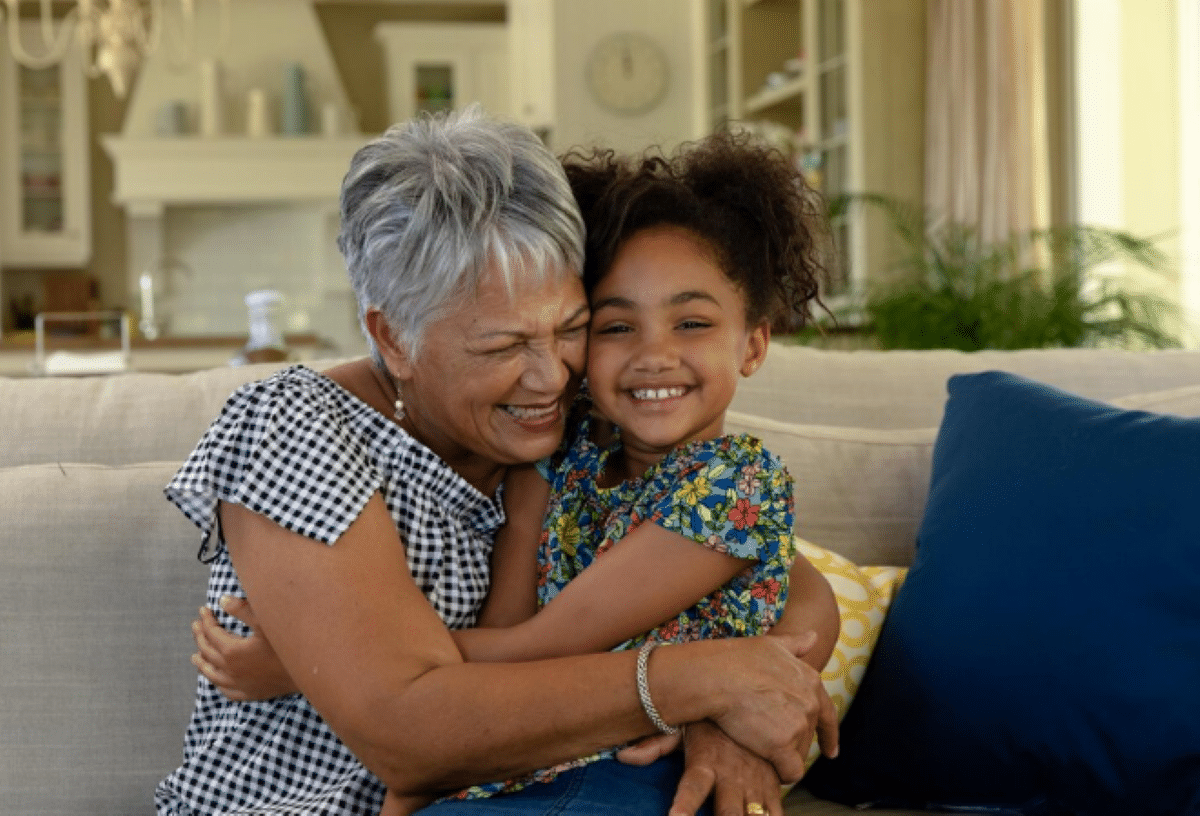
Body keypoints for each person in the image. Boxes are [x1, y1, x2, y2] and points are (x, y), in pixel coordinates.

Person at [165, 107, 837, 816]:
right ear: (394, 339)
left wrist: (738, 712)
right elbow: (411, 735)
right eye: (501, 346)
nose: (550, 376)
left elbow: (784, 575)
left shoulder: (572, 431)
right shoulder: (295, 429)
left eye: (572, 327)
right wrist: (698, 684)